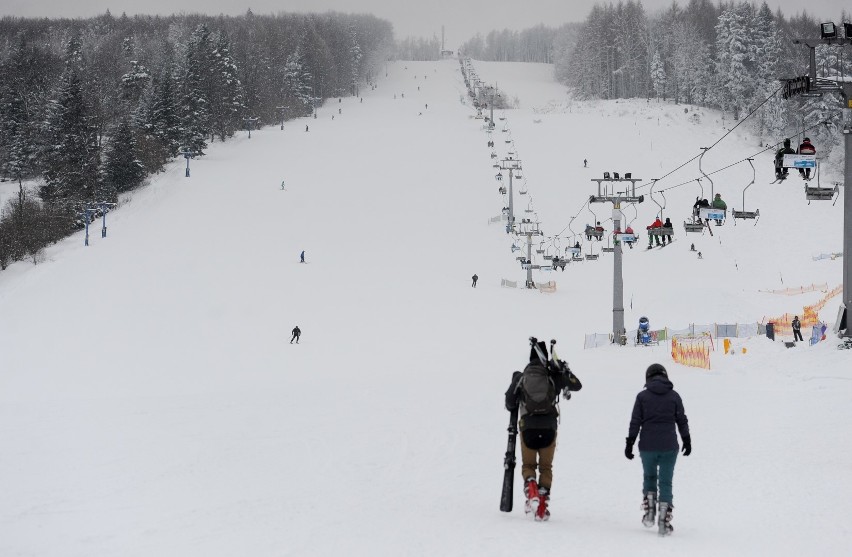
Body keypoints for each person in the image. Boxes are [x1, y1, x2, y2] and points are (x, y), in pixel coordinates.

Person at [505, 340, 582, 521]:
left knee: (528, 465)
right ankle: (542, 504)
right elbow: (577, 385)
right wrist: (564, 370)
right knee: (546, 467)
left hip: (528, 428)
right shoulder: (553, 376)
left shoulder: (521, 378)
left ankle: (531, 486)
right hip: (549, 427)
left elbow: (509, 402)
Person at [625, 363, 690, 537]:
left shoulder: (642, 397)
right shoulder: (674, 396)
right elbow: (681, 420)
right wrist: (686, 439)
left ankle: (649, 512)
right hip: (669, 445)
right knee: (666, 481)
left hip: (647, 446)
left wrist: (630, 442)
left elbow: (635, 421)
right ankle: (664, 518)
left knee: (650, 476)